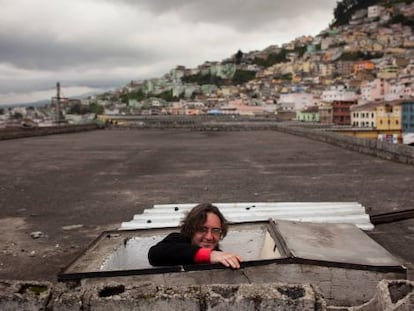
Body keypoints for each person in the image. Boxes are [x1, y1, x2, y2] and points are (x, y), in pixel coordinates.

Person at [148, 203, 242, 269]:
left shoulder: (220, 257)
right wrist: (209, 255)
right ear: (191, 229)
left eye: (215, 230)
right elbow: (155, 254)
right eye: (202, 229)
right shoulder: (176, 240)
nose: (209, 237)